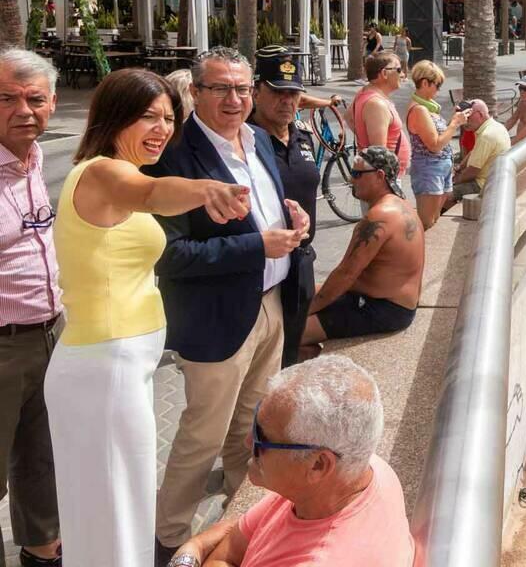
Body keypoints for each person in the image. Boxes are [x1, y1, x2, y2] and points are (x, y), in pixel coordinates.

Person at [45, 69, 251, 567]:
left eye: (167, 117)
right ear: (112, 117)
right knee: (116, 509)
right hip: (104, 367)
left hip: (115, 366)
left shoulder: (122, 174)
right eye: (146, 117)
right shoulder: (102, 173)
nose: (161, 128)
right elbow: (154, 194)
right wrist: (207, 189)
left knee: (116, 505)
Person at [147, 48, 311, 560]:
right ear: (195, 93)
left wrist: (296, 221)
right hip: (216, 320)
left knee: (252, 431)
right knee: (203, 438)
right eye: (220, 88)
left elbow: (267, 213)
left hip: (271, 306)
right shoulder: (173, 156)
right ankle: (170, 539)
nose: (234, 99)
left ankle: (240, 527)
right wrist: (256, 246)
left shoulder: (259, 138)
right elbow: (168, 255)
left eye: (242, 88)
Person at [164, 357, 414, 567]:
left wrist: (189, 551)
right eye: (255, 423)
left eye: (262, 436)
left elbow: (223, 548)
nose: (248, 442)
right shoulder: (367, 471)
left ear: (318, 465)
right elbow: (231, 548)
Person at [0, 50, 65, 566]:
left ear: (53, 104)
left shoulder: (34, 156)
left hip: (49, 333)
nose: (23, 110)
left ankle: (42, 553)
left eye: (35, 99)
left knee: (42, 459)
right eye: (5, 98)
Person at [249, 47, 342, 368]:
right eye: (278, 92)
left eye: (293, 93)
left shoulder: (301, 136)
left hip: (300, 263)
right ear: (256, 92)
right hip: (260, 271)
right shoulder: (244, 139)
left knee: (289, 355)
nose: (287, 100)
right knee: (258, 366)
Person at [303, 148, 424, 350]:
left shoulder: (379, 216)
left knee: (288, 332)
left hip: (385, 310)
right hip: (389, 302)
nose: (351, 180)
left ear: (379, 176)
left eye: (357, 174)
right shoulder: (402, 204)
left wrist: (307, 311)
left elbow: (346, 274)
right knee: (299, 296)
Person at [405, 61, 466, 230]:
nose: (438, 91)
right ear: (425, 83)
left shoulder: (428, 108)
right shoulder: (419, 110)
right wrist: (454, 124)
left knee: (434, 219)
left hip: (438, 167)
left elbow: (438, 137)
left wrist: (453, 122)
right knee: (427, 223)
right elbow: (434, 145)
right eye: (437, 86)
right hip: (429, 169)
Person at [351, 52, 412, 177]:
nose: (403, 74)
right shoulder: (376, 104)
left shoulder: (365, 93)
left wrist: (363, 139)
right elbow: (379, 155)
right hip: (386, 179)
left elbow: (349, 117)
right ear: (384, 73)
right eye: (398, 70)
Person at [448, 100, 511, 205]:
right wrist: (459, 167)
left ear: (480, 114)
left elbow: (472, 172)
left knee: (443, 195)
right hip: (494, 180)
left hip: (483, 184)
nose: (465, 121)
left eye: (468, 116)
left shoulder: (486, 136)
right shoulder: (495, 126)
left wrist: (453, 181)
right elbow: (474, 151)